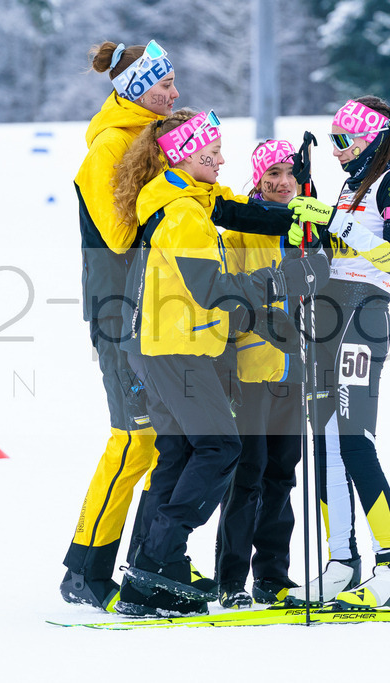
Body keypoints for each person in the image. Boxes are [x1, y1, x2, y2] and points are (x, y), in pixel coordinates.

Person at [111, 110, 329, 616]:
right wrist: (278, 283)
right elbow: (211, 290)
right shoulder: (183, 212)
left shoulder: (193, 198)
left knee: (181, 455)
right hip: (173, 348)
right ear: (184, 156)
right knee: (219, 447)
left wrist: (302, 216)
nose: (222, 160)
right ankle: (160, 560)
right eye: (211, 156)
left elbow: (246, 211)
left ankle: (151, 579)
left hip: (165, 347)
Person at [286, 96, 390, 609]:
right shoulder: (349, 185)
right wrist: (308, 211)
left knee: (355, 439)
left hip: (365, 315)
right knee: (324, 442)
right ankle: (341, 562)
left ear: (372, 138)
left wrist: (332, 220)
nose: (338, 152)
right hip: (328, 314)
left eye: (344, 142)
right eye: (334, 143)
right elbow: (332, 250)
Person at [59, 39, 178, 612]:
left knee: (157, 445)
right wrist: (176, 199)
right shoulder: (109, 146)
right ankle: (85, 570)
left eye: (174, 84)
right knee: (134, 440)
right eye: (163, 87)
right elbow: (122, 234)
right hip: (116, 312)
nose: (174, 94)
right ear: (135, 90)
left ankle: (144, 567)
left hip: (153, 312)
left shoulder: (152, 138)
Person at [214, 140, 305, 608]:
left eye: (289, 173)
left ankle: (273, 575)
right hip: (250, 370)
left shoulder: (304, 225)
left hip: (294, 371)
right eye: (272, 175)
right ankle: (230, 580)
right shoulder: (241, 229)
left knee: (282, 477)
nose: (282, 183)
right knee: (245, 477)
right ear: (257, 179)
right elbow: (226, 296)